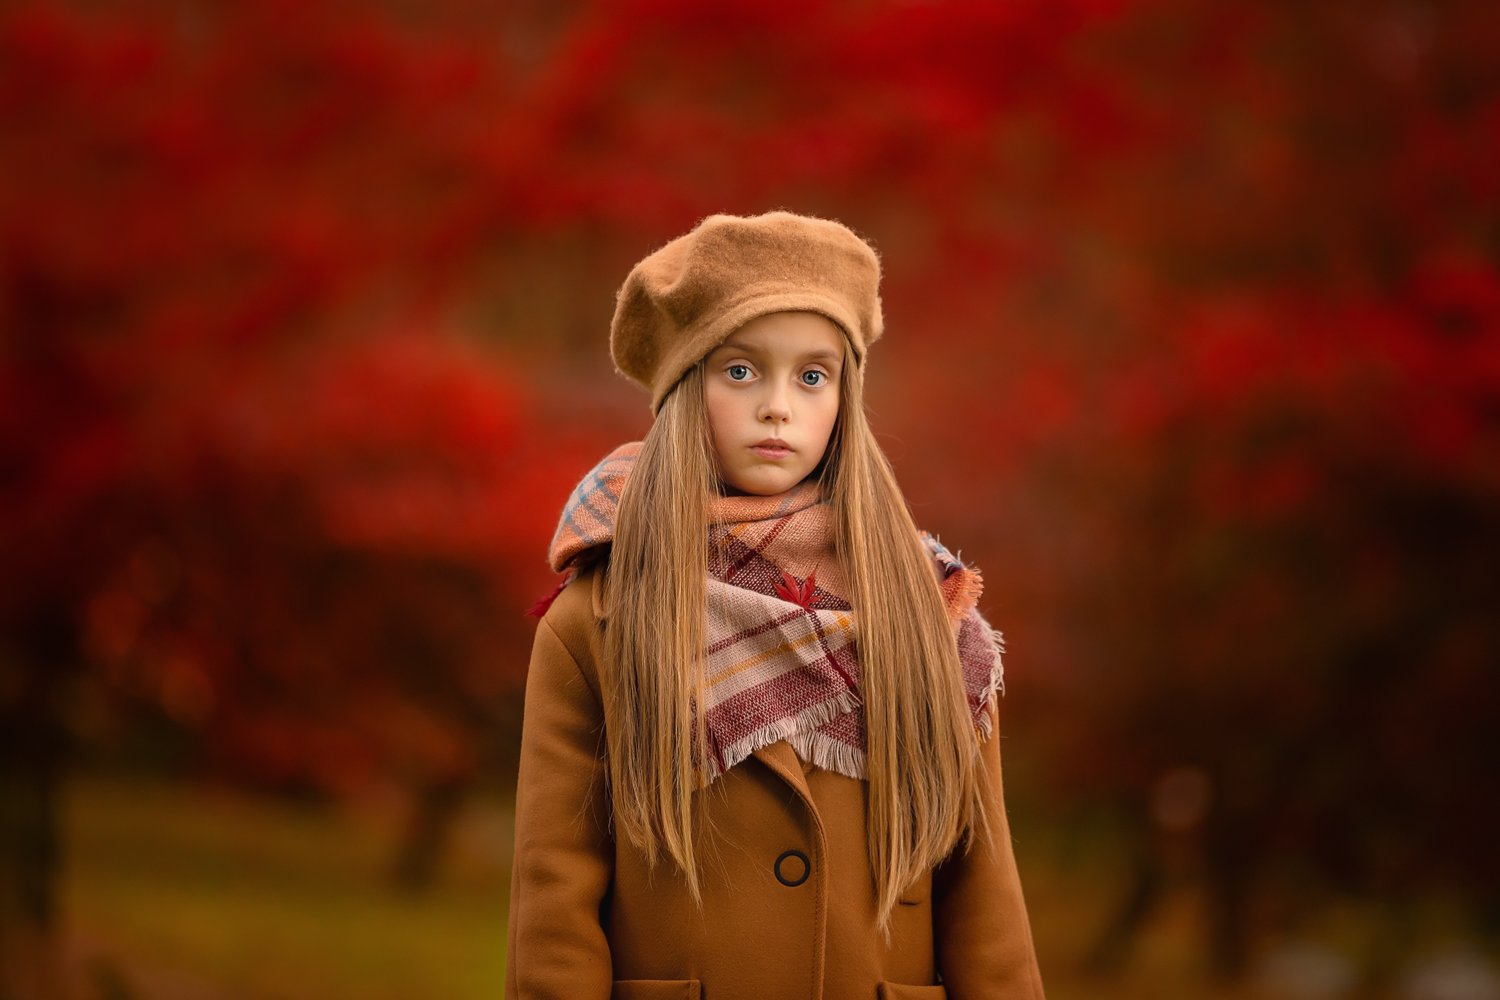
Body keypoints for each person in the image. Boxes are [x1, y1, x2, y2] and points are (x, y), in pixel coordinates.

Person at [505, 210, 1045, 1000]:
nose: (778, 407)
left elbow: (982, 891)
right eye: (740, 371)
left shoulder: (926, 611)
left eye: (813, 375)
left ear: (844, 399)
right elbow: (556, 889)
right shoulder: (601, 615)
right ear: (686, 387)